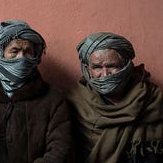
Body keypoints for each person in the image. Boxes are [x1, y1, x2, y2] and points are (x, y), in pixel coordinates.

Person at [0, 20, 73, 162]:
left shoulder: (53, 99)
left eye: (28, 51)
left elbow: (60, 149)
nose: (21, 58)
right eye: (14, 51)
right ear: (0, 53)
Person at [68, 32, 163, 163]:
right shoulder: (76, 102)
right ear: (87, 69)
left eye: (112, 66)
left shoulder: (152, 98)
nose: (105, 74)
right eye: (97, 67)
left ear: (126, 65)